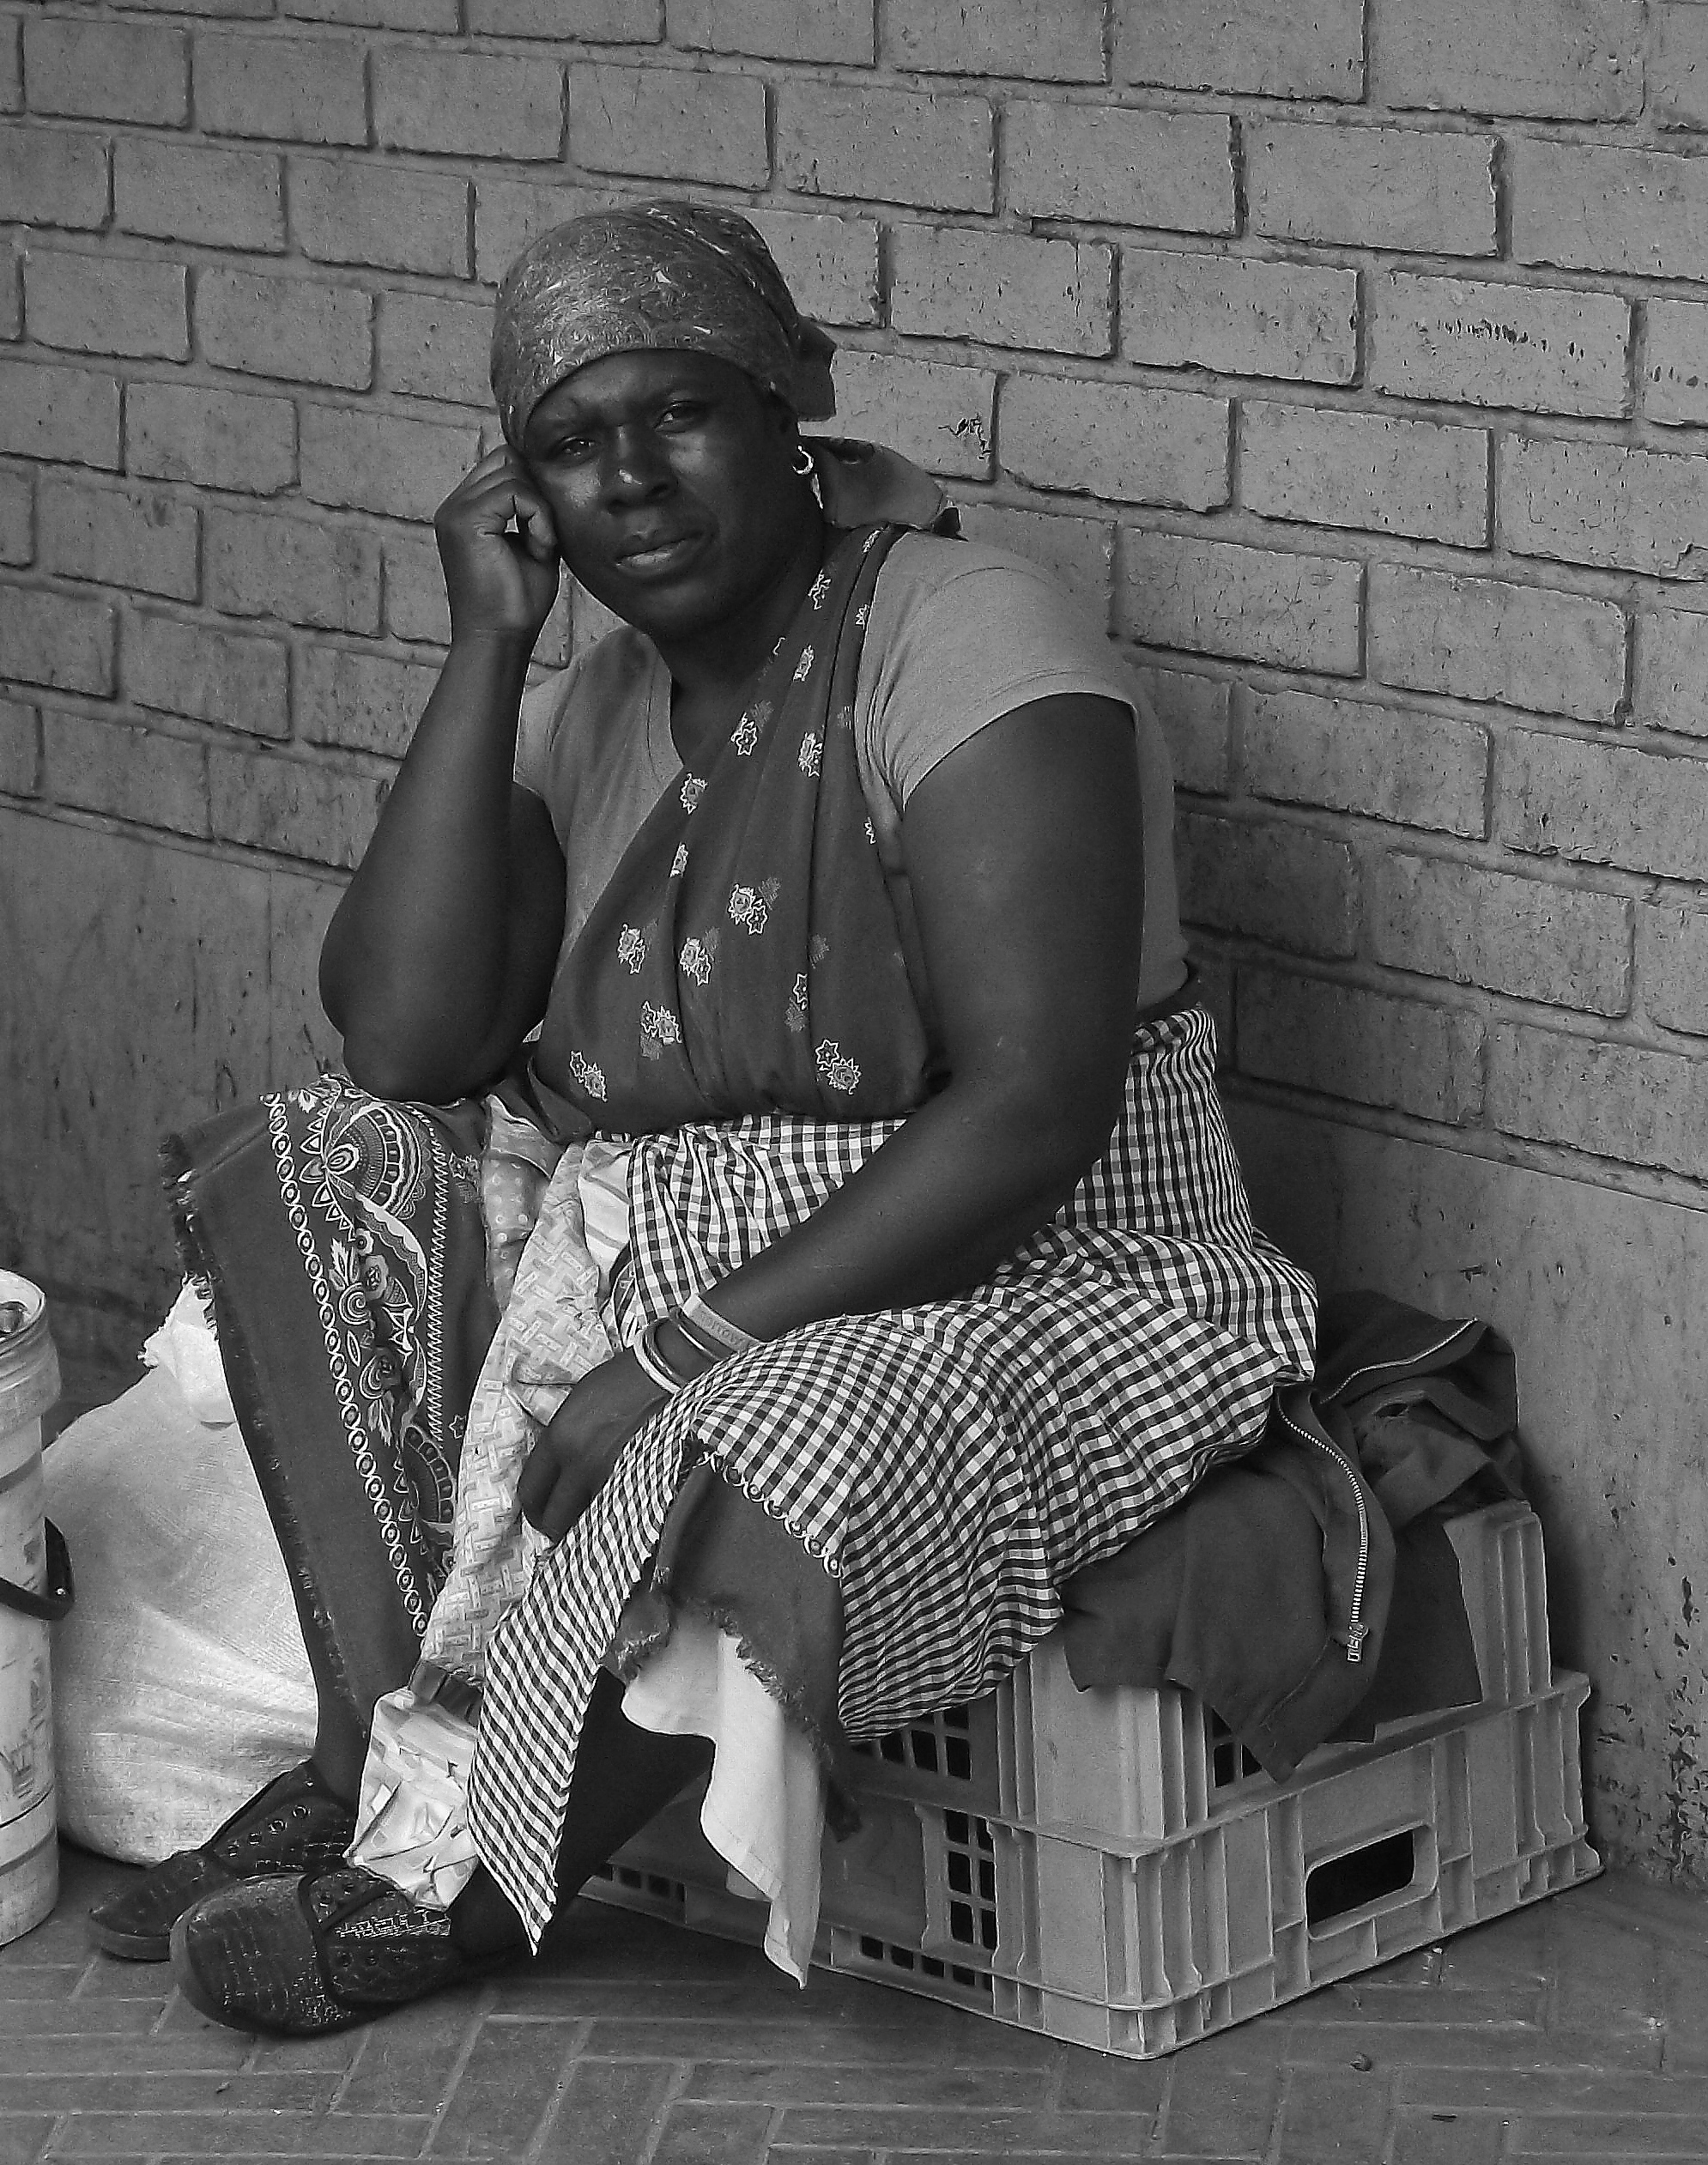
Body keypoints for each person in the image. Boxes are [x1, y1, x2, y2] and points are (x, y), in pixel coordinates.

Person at [87, 202, 1318, 2035]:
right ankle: (377, 1755)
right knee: (342, 1174)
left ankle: (452, 1884)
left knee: (755, 1441)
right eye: (572, 449)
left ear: (789, 411)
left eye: (680, 417)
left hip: (1029, 1258)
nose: (632, 484)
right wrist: (487, 646)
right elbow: (408, 1028)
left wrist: (683, 1351)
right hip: (656, 1227)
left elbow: (1039, 1108)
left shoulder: (972, 635)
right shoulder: (593, 694)